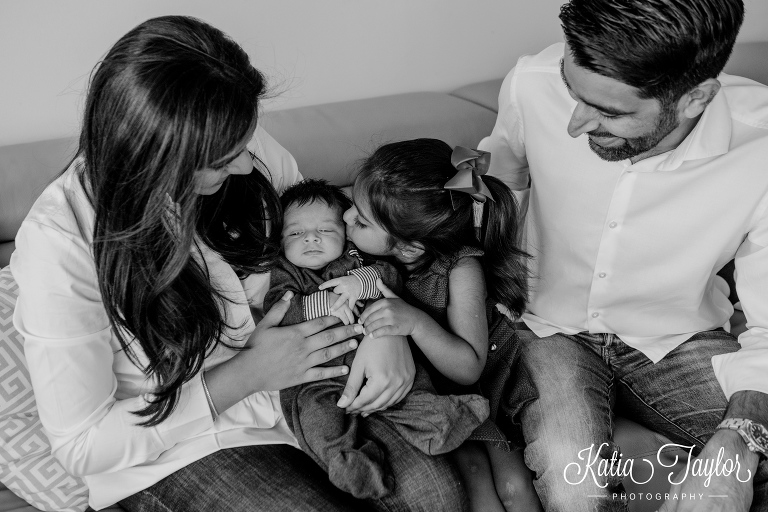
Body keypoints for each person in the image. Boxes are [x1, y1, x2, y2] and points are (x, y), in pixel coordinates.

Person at [10, 16, 468, 512]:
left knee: (439, 498)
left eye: (244, 146)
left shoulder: (242, 150)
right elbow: (83, 446)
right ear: (159, 157)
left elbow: (338, 239)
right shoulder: (61, 243)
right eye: (225, 160)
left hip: (308, 384)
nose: (248, 166)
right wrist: (249, 373)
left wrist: (385, 327)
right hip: (182, 447)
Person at [477, 0, 768, 511]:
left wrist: (735, 447)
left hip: (676, 335)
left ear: (696, 98)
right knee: (576, 491)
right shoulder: (530, 81)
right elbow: (500, 189)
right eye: (571, 93)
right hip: (548, 332)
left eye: (610, 112)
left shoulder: (761, 146)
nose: (573, 125)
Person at [344, 138, 543, 512]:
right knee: (473, 477)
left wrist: (416, 322)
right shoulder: (363, 252)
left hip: (481, 389)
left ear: (408, 249)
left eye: (359, 218)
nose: (343, 219)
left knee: (514, 486)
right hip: (431, 398)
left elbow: (468, 369)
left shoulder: (461, 269)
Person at [264, 178, 490, 499]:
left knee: (410, 394)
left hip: (383, 361)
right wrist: (320, 304)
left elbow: (391, 277)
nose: (311, 238)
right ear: (280, 240)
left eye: (325, 230)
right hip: (322, 378)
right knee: (318, 420)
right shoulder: (283, 272)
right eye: (296, 232)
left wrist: (359, 283)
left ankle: (442, 418)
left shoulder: (356, 258)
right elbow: (276, 310)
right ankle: (348, 461)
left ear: (344, 234)